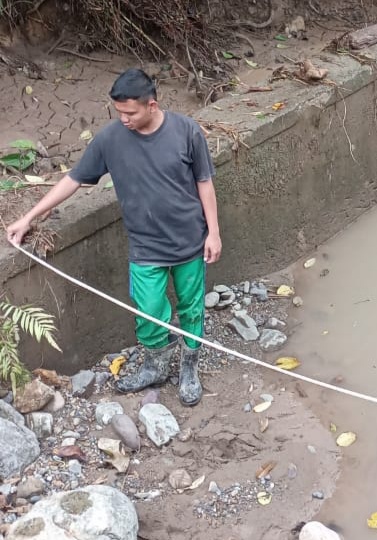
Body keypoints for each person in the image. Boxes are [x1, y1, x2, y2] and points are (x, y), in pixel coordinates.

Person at [6, 68, 221, 407]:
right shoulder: (110, 140)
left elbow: (204, 182)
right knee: (149, 309)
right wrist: (29, 217)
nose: (123, 119)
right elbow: (73, 179)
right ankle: (156, 364)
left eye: (130, 112)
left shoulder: (186, 132)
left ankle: (189, 368)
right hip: (145, 247)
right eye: (119, 112)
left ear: (152, 105)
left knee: (191, 307)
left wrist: (214, 233)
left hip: (189, 242)